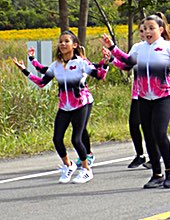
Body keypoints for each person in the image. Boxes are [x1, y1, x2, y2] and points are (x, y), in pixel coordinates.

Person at [101, 13, 170, 189]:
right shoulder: (139, 48)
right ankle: (157, 174)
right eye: (145, 28)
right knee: (149, 136)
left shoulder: (168, 47)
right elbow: (127, 64)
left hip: (164, 96)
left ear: (160, 29)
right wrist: (112, 52)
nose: (148, 31)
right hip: (144, 96)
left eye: (152, 28)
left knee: (160, 133)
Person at [13, 30, 109, 184]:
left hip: (80, 104)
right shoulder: (56, 65)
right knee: (57, 139)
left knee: (76, 139)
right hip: (64, 106)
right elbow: (41, 81)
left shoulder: (81, 63)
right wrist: (25, 69)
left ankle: (86, 170)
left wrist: (105, 62)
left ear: (74, 45)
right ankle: (68, 166)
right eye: (61, 41)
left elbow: (100, 76)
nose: (63, 44)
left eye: (67, 41)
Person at [110, 22, 151, 169]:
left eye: (147, 29)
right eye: (141, 30)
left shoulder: (160, 46)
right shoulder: (136, 47)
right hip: (137, 93)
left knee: (150, 128)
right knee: (134, 124)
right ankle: (140, 155)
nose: (144, 33)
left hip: (155, 94)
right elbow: (127, 66)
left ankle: (155, 156)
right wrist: (112, 59)